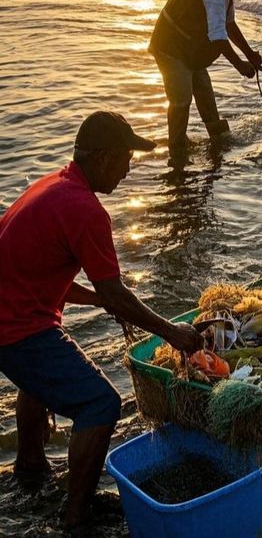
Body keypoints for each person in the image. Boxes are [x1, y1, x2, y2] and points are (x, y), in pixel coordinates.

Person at [0, 111, 203, 532]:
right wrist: (173, 333)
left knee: (38, 380)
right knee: (100, 403)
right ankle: (77, 518)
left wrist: (100, 300)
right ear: (105, 156)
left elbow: (36, 270)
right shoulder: (86, 210)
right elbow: (116, 291)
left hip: (10, 311)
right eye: (127, 157)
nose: (129, 169)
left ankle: (31, 471)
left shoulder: (51, 186)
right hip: (14, 326)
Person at [149, 0, 262, 160]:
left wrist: (250, 53)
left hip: (191, 49)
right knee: (181, 100)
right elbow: (218, 36)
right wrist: (240, 65)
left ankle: (218, 141)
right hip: (170, 47)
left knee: (205, 96)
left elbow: (229, 24)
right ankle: (177, 151)